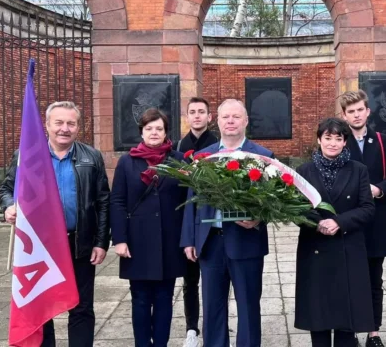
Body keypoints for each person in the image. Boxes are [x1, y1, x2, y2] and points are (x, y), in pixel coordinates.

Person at [0, 101, 110, 347]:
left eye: (71, 123)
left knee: (81, 307)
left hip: (79, 243)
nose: (64, 128)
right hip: (41, 246)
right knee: (42, 307)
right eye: (58, 122)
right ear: (47, 125)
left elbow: (103, 202)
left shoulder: (91, 157)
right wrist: (8, 206)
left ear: (78, 127)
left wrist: (101, 242)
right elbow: (7, 189)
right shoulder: (26, 155)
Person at [180, 99, 273, 347]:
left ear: (245, 121)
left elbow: (274, 201)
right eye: (225, 117)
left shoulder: (263, 156)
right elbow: (193, 200)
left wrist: (258, 218)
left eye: (236, 116)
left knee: (249, 307)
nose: (230, 121)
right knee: (212, 309)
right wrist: (189, 239)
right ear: (217, 121)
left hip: (247, 242)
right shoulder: (203, 157)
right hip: (210, 243)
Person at [294, 117, 376, 347]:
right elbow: (296, 209)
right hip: (315, 249)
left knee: (346, 317)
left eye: (338, 139)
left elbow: (368, 208)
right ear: (319, 140)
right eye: (327, 138)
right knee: (318, 315)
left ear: (344, 142)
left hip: (348, 247)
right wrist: (317, 223)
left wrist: (339, 222)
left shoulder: (358, 170)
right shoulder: (304, 171)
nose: (332, 143)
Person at [110, 108, 188, 347]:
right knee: (141, 299)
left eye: (159, 128)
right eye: (149, 128)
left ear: (166, 132)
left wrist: (187, 240)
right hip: (138, 241)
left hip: (169, 239)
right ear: (141, 132)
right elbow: (118, 201)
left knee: (165, 298)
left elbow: (188, 201)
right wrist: (120, 239)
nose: (154, 133)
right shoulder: (127, 161)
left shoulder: (179, 160)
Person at [338, 91, 386, 347]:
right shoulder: (337, 140)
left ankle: (373, 332)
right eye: (350, 111)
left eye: (359, 110)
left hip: (376, 221)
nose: (356, 115)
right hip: (348, 221)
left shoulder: (383, 141)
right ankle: (350, 329)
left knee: (375, 280)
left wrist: (379, 189)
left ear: (368, 111)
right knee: (349, 279)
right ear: (344, 115)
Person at [175, 97, 219, 347]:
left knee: (215, 281)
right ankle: (192, 328)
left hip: (210, 217)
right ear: (187, 116)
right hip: (188, 217)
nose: (197, 116)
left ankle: (215, 327)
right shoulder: (180, 146)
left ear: (209, 117)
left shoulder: (217, 144)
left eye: (202, 112)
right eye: (192, 112)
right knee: (190, 279)